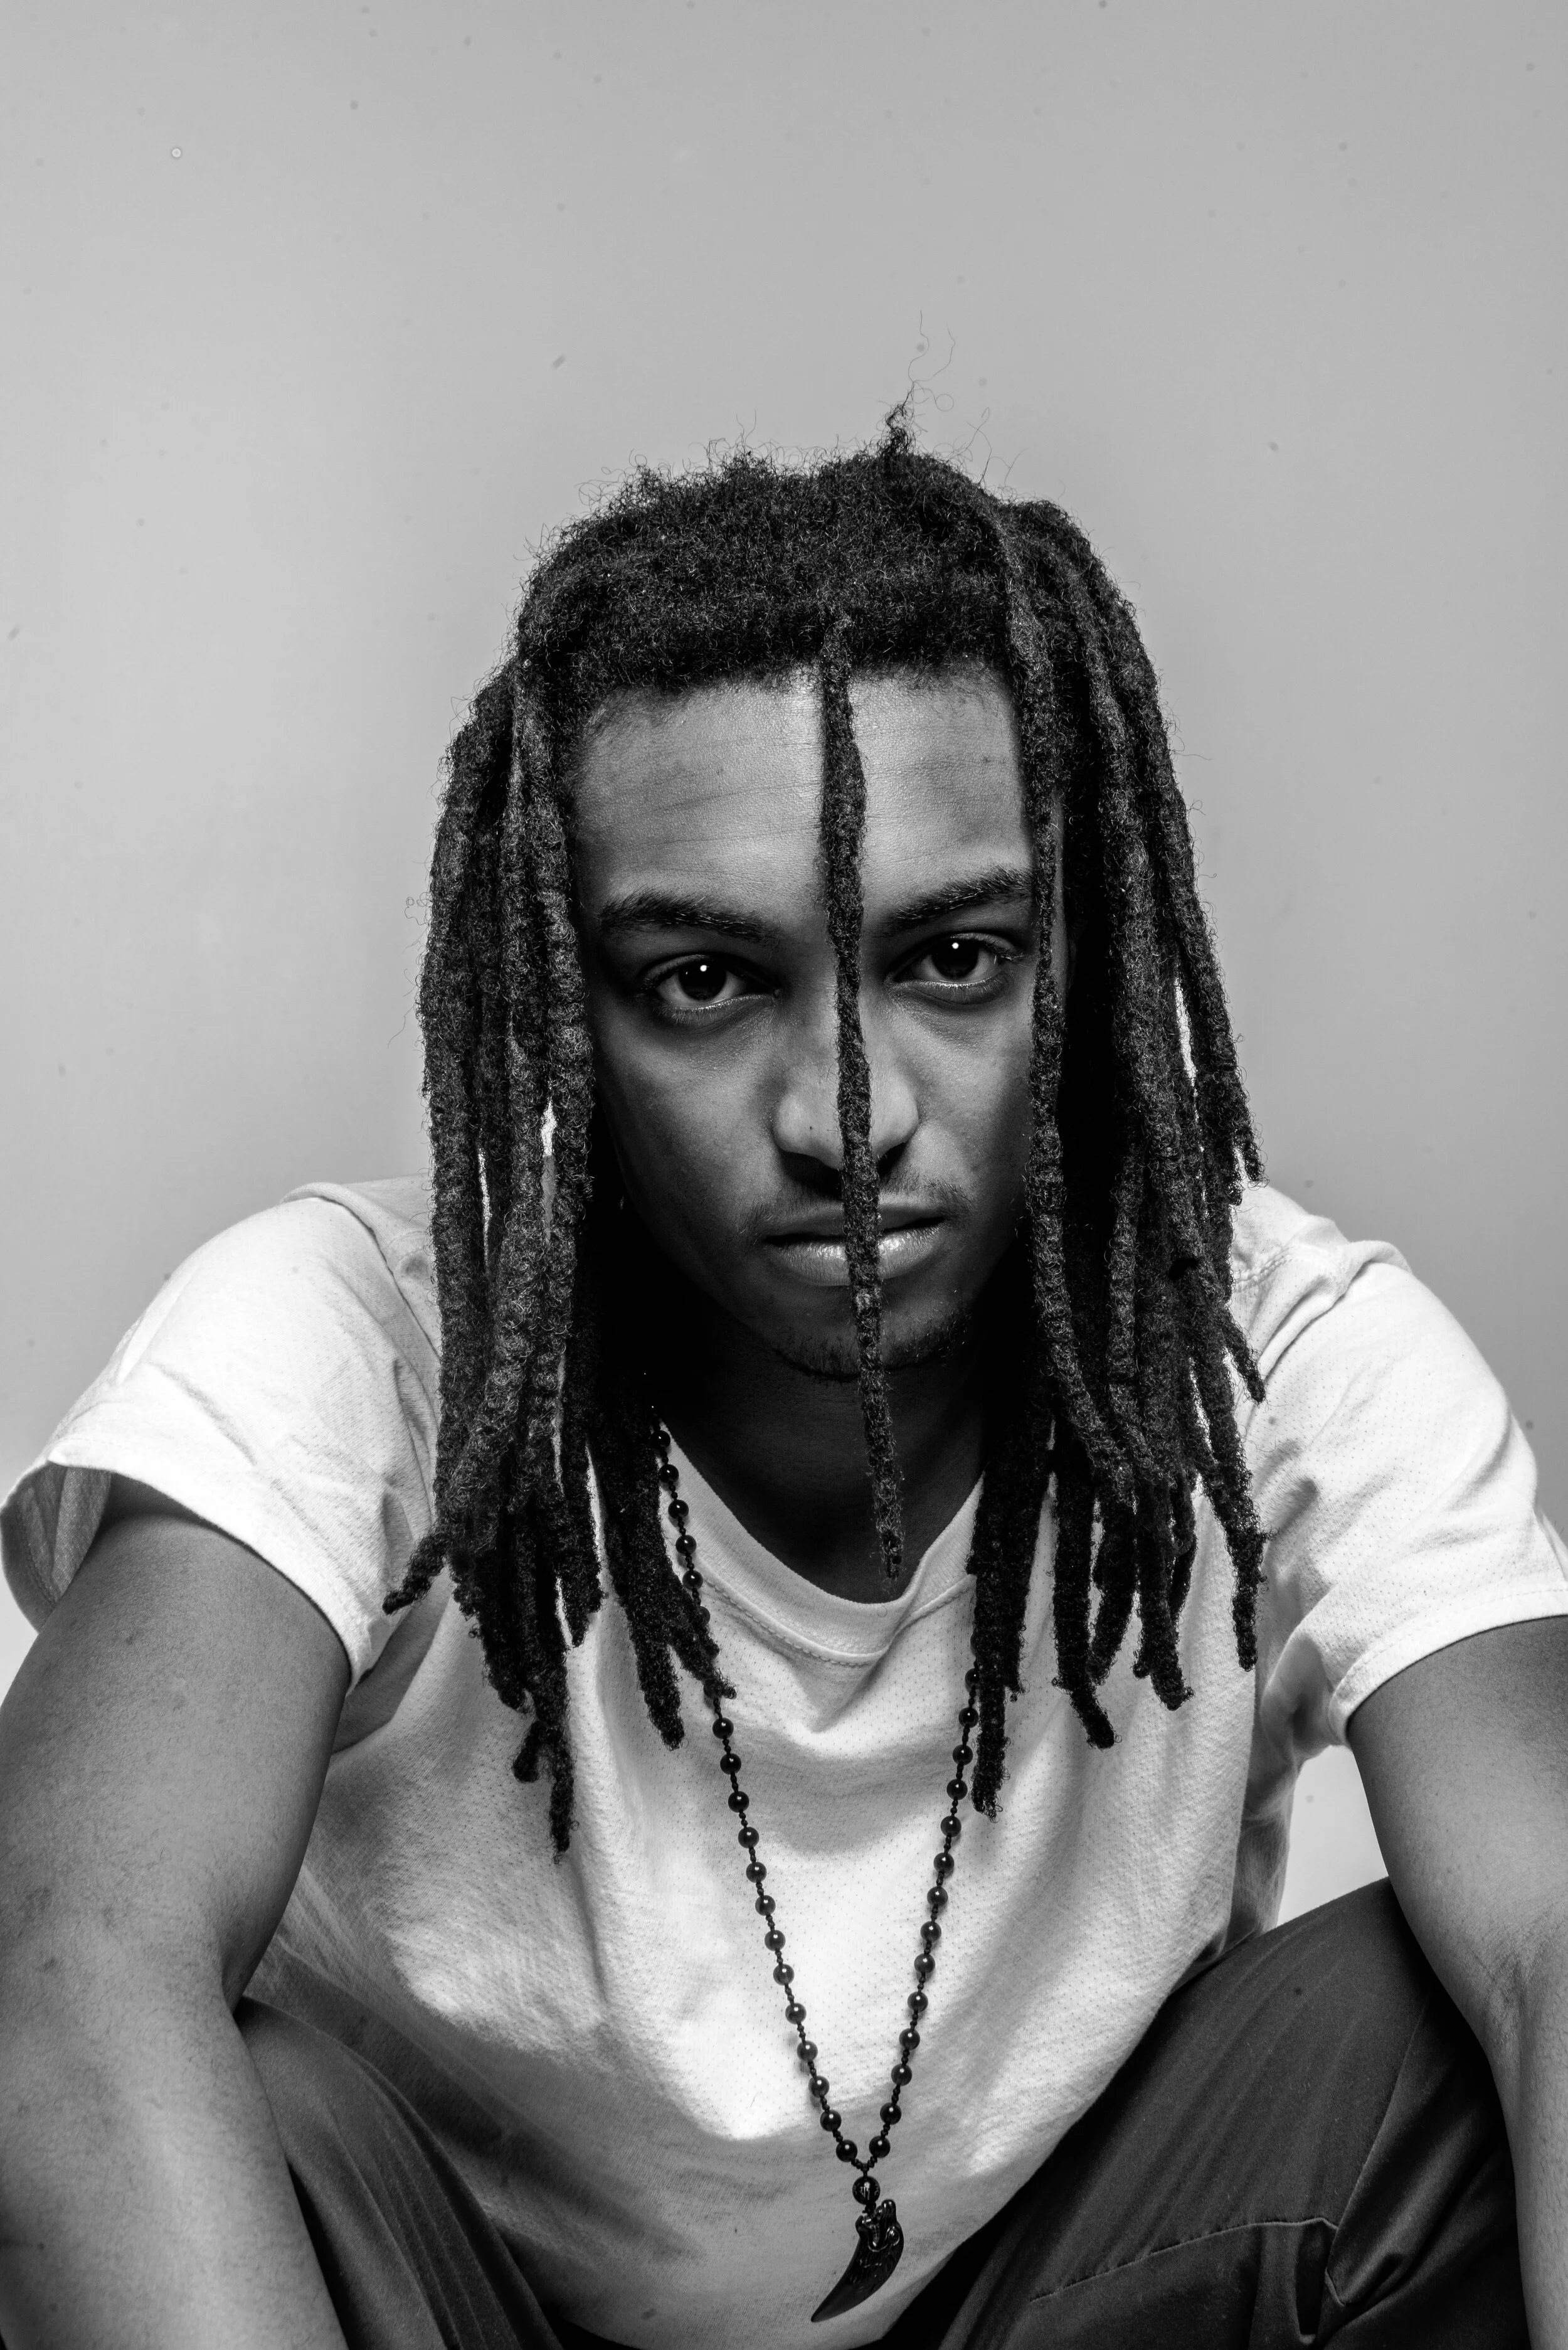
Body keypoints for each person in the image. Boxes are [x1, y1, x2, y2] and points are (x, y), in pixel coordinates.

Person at [1, 418, 1564, 2350]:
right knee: (147, 2075)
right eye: (706, 981)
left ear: (1082, 968)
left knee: (1436, 2033)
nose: (848, 1115)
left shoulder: (1272, 1351)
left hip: (1043, 2315)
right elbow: (64, 1962)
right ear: (557, 1010)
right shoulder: (347, 1335)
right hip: (436, 2317)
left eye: (955, 959)